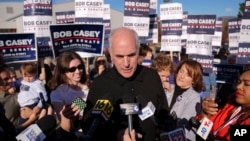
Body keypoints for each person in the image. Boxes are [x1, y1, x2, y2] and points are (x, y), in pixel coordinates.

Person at [82, 27, 169, 141]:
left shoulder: (152, 77)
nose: (126, 63)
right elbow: (87, 125)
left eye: (131, 55)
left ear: (138, 51)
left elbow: (164, 115)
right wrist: (115, 135)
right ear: (111, 55)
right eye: (120, 56)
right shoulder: (100, 84)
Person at [48, 51, 89, 140]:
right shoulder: (58, 93)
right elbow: (66, 127)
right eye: (72, 69)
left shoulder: (90, 87)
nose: (78, 71)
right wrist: (71, 116)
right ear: (63, 71)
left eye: (80, 67)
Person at [198, 69, 250, 141]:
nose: (238, 87)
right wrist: (205, 115)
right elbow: (203, 133)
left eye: (247, 84)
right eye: (239, 82)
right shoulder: (231, 106)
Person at [169, 59, 203, 141]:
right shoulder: (168, 88)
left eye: (188, 75)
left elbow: (183, 122)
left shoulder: (195, 97)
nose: (182, 76)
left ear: (194, 80)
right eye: (181, 71)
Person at [17, 62, 49, 128]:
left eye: (30, 76)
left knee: (25, 125)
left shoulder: (37, 83)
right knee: (24, 126)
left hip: (32, 105)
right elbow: (15, 82)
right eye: (25, 76)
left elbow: (44, 96)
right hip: (23, 106)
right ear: (21, 74)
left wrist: (39, 106)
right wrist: (12, 87)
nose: (27, 79)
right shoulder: (22, 81)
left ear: (35, 74)